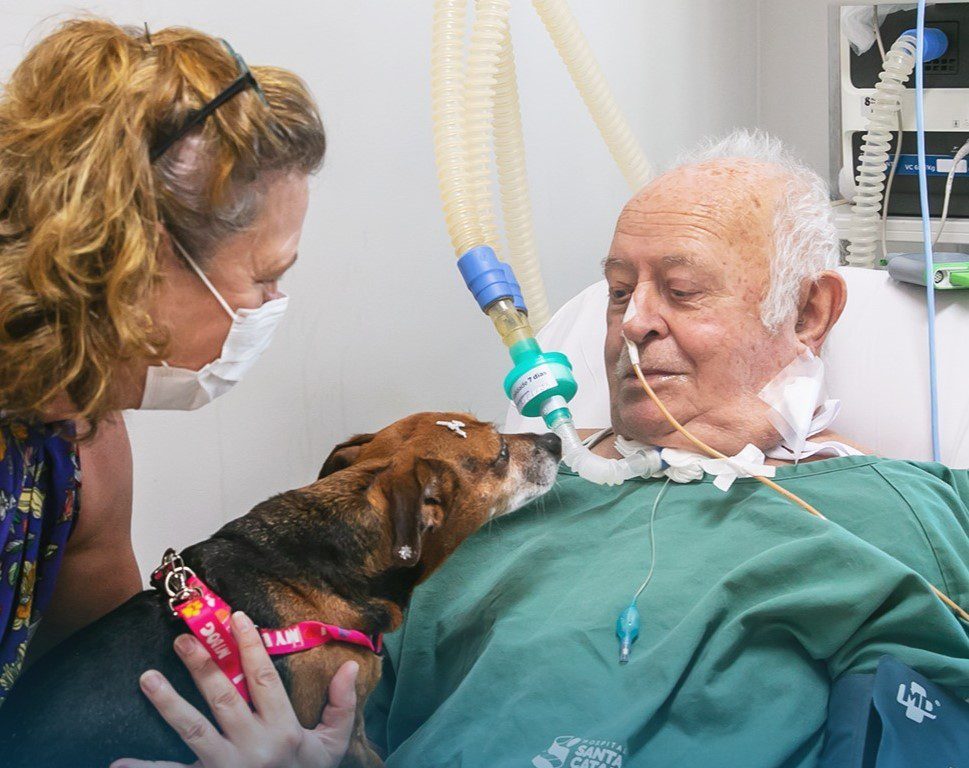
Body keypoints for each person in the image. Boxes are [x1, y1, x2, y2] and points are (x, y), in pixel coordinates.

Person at [365, 131, 969, 767]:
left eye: (682, 290)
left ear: (807, 313)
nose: (632, 322)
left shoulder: (905, 509)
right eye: (620, 292)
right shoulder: (490, 503)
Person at [0, 19, 357, 767]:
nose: (269, 308)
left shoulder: (78, 447)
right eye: (263, 277)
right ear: (134, 261)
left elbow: (90, 692)